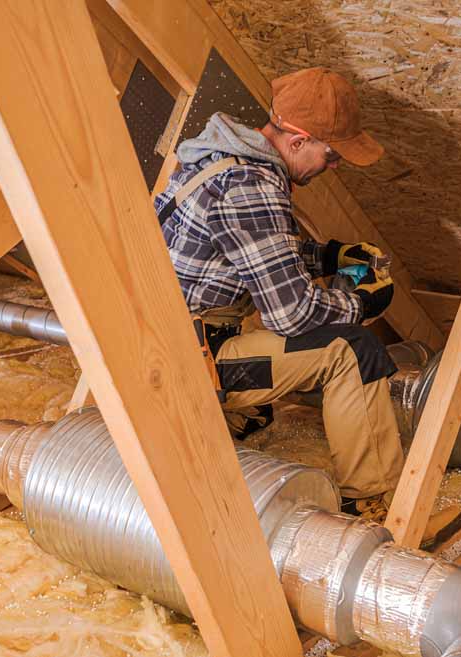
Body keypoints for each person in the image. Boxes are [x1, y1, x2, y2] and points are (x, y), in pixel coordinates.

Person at [154, 67, 403, 503]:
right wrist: (361, 303)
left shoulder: (220, 160)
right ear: (299, 140)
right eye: (331, 154)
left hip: (158, 339)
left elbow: (252, 252)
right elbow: (292, 314)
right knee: (353, 351)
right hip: (186, 364)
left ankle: (228, 419)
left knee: (260, 385)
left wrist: (329, 256)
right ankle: (371, 500)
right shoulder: (253, 186)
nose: (335, 164)